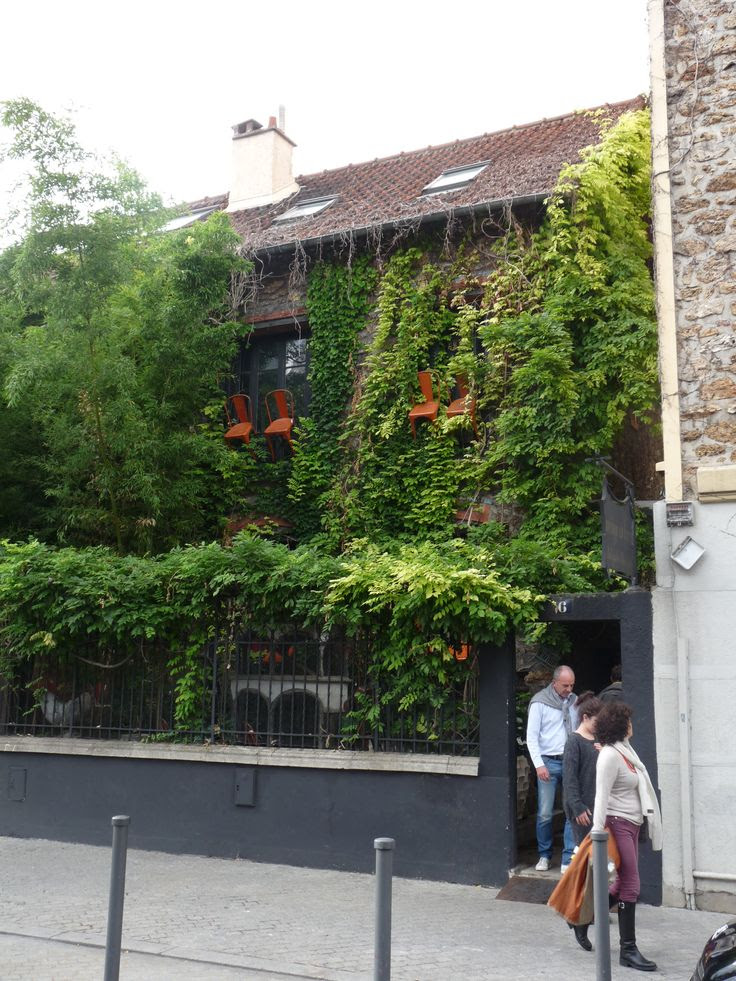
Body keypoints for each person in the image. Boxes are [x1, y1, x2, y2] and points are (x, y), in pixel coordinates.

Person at [592, 701, 662, 972]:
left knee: (623, 882)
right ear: (619, 725)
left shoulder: (625, 750)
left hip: (632, 824)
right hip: (618, 823)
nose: (632, 724)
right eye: (628, 721)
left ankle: (582, 918)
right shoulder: (610, 755)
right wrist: (597, 834)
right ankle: (628, 950)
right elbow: (601, 795)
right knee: (631, 884)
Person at [526, 665, 578, 873]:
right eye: (565, 685)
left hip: (570, 761)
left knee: (571, 809)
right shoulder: (540, 702)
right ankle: (544, 855)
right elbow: (532, 736)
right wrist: (539, 765)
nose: (569, 689)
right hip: (548, 761)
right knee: (545, 813)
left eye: (572, 685)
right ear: (554, 683)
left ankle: (568, 858)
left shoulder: (575, 702)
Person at [561, 691, 602, 951]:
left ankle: (580, 913)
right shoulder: (574, 742)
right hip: (583, 812)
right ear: (586, 717)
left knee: (596, 868)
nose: (600, 726)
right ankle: (579, 918)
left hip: (599, 810)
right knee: (589, 869)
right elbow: (570, 779)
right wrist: (577, 807)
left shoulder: (599, 742)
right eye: (597, 721)